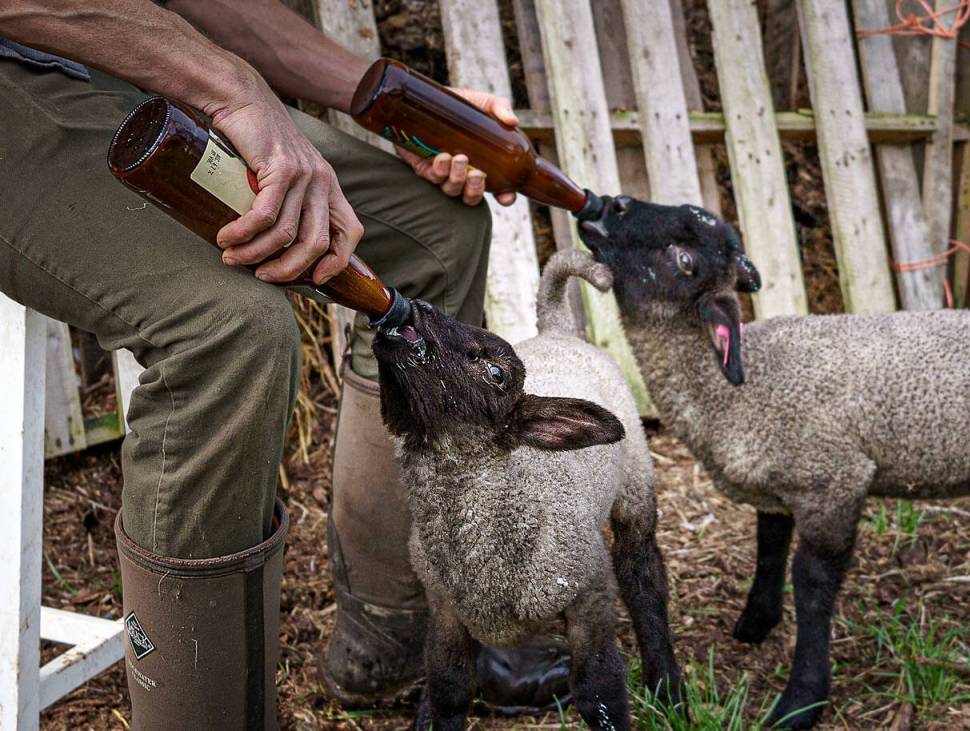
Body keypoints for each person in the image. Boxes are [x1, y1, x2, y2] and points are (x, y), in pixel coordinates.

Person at [0, 1, 567, 727]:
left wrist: (382, 96)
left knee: (438, 234)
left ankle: (386, 638)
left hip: (109, 61)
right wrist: (234, 89)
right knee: (228, 330)